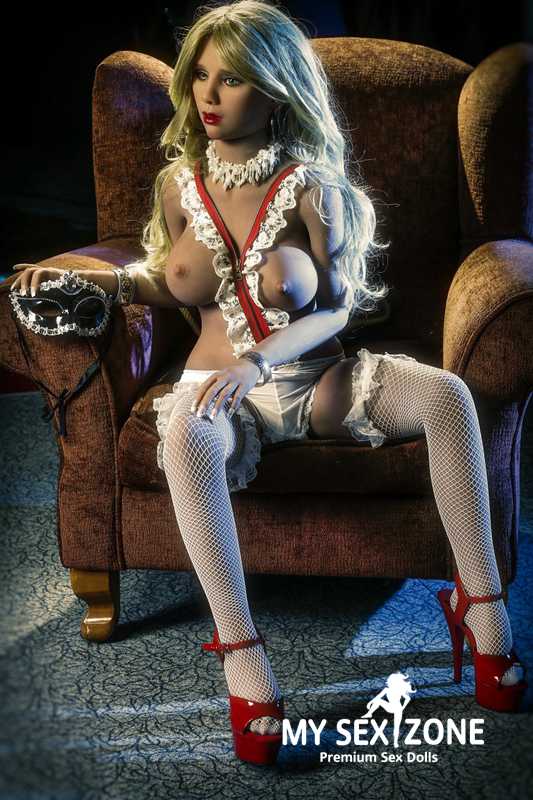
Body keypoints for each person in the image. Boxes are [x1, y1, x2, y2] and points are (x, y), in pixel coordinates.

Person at [11, 0, 527, 767]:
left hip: (314, 381)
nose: (208, 96)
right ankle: (244, 659)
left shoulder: (314, 189)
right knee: (184, 436)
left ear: (277, 89)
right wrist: (100, 282)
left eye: (233, 79)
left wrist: (258, 360)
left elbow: (337, 309)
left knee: (446, 396)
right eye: (201, 77)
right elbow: (168, 282)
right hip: (214, 393)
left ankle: (482, 610)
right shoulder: (177, 187)